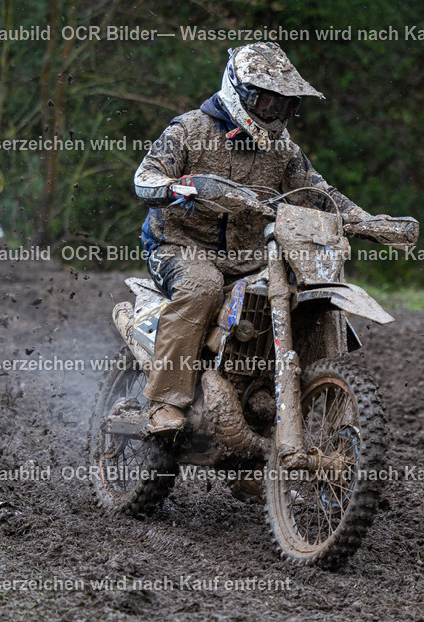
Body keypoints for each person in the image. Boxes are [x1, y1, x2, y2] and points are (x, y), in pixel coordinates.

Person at [134, 42, 391, 434]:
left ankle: (269, 420)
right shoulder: (188, 129)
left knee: (294, 300)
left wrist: (369, 222)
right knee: (202, 287)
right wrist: (183, 186)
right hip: (179, 249)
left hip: (251, 258)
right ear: (238, 91)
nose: (273, 111)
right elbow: (144, 178)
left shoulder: (284, 150)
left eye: (283, 104)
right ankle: (165, 402)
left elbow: (321, 196)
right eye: (265, 100)